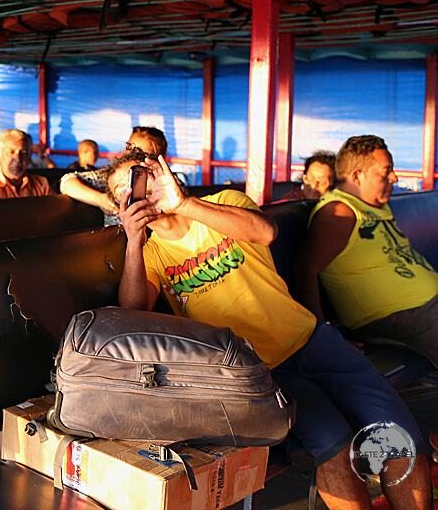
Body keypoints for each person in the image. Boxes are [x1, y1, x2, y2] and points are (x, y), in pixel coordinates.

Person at [113, 147, 431, 510]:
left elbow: (264, 231)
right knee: (333, 444)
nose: (135, 192)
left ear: (159, 175)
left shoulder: (222, 201)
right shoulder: (151, 255)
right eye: (123, 190)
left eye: (139, 179)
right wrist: (133, 241)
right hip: (259, 372)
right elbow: (133, 310)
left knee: (397, 437)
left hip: (313, 340)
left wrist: (183, 203)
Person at [296, 136, 438, 368]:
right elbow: (304, 270)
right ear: (356, 176)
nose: (395, 178)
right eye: (386, 171)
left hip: (425, 309)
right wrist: (324, 336)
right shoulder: (340, 213)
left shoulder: (374, 206)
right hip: (397, 318)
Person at [60, 126, 167, 223]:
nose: (132, 157)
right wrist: (101, 199)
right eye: (130, 148)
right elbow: (67, 182)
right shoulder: (113, 176)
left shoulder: (167, 185)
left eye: (141, 155)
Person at [0, 129, 52, 199]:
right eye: (11, 152)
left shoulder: (41, 184)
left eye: (23, 153)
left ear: (29, 157)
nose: (18, 159)